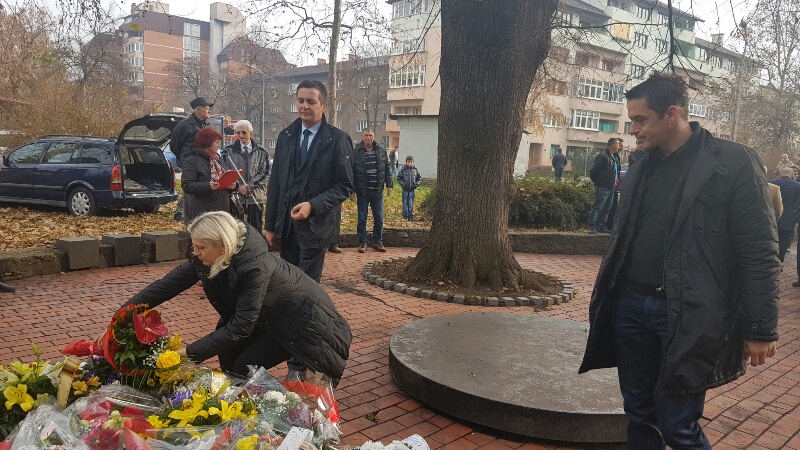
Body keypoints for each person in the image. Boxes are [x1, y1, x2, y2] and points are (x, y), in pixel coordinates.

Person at [579, 73, 780, 450]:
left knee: (677, 425)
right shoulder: (641, 164)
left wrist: (760, 327)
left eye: (640, 120)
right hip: (630, 307)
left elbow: (758, 249)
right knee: (639, 416)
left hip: (687, 312)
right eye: (631, 120)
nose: (633, 129)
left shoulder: (733, 161)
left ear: (671, 114)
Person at [120, 211, 352, 382]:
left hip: (299, 321)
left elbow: (240, 327)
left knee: (243, 367)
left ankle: (277, 409)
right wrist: (120, 317)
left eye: (201, 247)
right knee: (229, 359)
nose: (195, 253)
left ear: (222, 245)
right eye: (194, 246)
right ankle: (245, 409)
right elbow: (164, 287)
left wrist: (188, 354)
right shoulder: (205, 258)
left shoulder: (254, 267)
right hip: (267, 314)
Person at [264, 79, 354, 283]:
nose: (304, 106)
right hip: (287, 228)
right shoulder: (286, 136)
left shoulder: (337, 140)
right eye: (300, 100)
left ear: (324, 106)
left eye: (311, 102)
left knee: (306, 288)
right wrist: (270, 226)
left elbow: (345, 185)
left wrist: (313, 205)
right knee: (287, 285)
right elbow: (275, 183)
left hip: (316, 228)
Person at [221, 120, 269, 232]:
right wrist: (238, 186)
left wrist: (249, 186)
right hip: (235, 198)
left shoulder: (261, 151)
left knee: (255, 231)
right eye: (238, 133)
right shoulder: (227, 151)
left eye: (244, 132)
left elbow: (266, 173)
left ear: (251, 133)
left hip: (255, 198)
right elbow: (224, 171)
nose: (241, 135)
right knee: (236, 231)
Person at [181, 128, 236, 225]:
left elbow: (225, 177)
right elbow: (187, 185)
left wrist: (233, 186)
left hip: (222, 211)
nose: (219, 145)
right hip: (202, 213)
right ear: (207, 143)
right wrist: (208, 186)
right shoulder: (192, 160)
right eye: (216, 142)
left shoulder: (217, 159)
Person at [171, 97, 213, 222]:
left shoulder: (207, 125)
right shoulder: (184, 125)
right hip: (189, 163)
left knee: (200, 186)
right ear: (198, 110)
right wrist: (185, 158)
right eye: (207, 108)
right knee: (190, 186)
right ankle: (180, 213)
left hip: (204, 162)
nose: (209, 110)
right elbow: (174, 145)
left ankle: (197, 211)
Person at [351, 128, 393, 253]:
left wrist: (389, 185)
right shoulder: (356, 152)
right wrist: (351, 190)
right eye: (366, 135)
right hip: (362, 191)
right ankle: (362, 242)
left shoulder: (381, 150)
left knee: (379, 218)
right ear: (362, 137)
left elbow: (387, 168)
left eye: (370, 135)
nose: (368, 137)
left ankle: (377, 241)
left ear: (374, 136)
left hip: (377, 191)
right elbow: (351, 172)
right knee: (362, 218)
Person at [587, 138, 620, 234]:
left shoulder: (614, 157)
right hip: (603, 187)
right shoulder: (603, 156)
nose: (618, 147)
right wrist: (598, 182)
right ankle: (591, 226)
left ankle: (602, 226)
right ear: (613, 145)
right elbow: (594, 170)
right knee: (598, 207)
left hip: (611, 187)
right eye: (617, 144)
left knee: (606, 209)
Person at [771, 167, 799, 262]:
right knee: (784, 244)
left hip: (773, 217)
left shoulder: (772, 183)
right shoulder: (797, 186)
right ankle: (780, 261)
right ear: (792, 174)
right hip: (788, 218)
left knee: (771, 242)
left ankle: (772, 261)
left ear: (780, 174)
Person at [397, 155, 422, 221]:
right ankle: (405, 216)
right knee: (405, 203)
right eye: (408, 162)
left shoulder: (415, 169)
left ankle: (410, 216)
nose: (410, 163)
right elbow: (399, 178)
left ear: (413, 162)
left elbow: (419, 178)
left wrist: (416, 184)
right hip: (405, 189)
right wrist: (403, 184)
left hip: (412, 190)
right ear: (406, 162)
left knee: (410, 204)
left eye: (411, 162)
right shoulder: (403, 169)